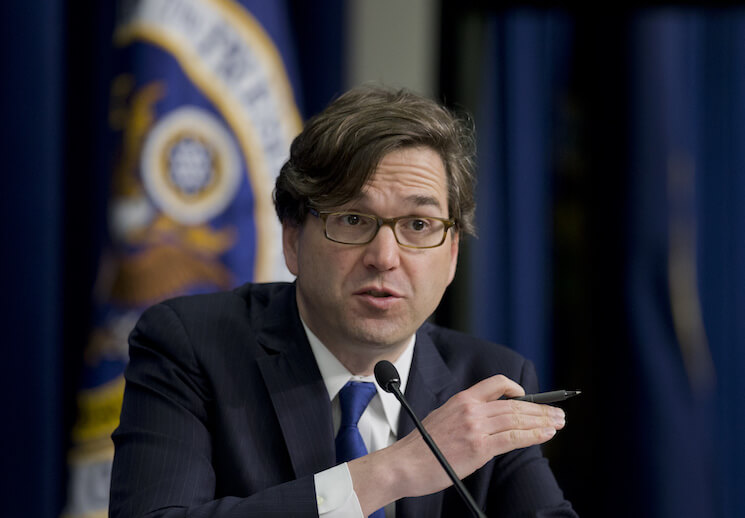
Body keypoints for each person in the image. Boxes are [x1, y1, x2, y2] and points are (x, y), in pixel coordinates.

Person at [110, 85, 577, 517]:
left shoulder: (487, 382)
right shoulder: (191, 346)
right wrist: (393, 470)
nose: (385, 258)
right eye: (353, 219)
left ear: (452, 254)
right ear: (292, 239)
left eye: (418, 225)